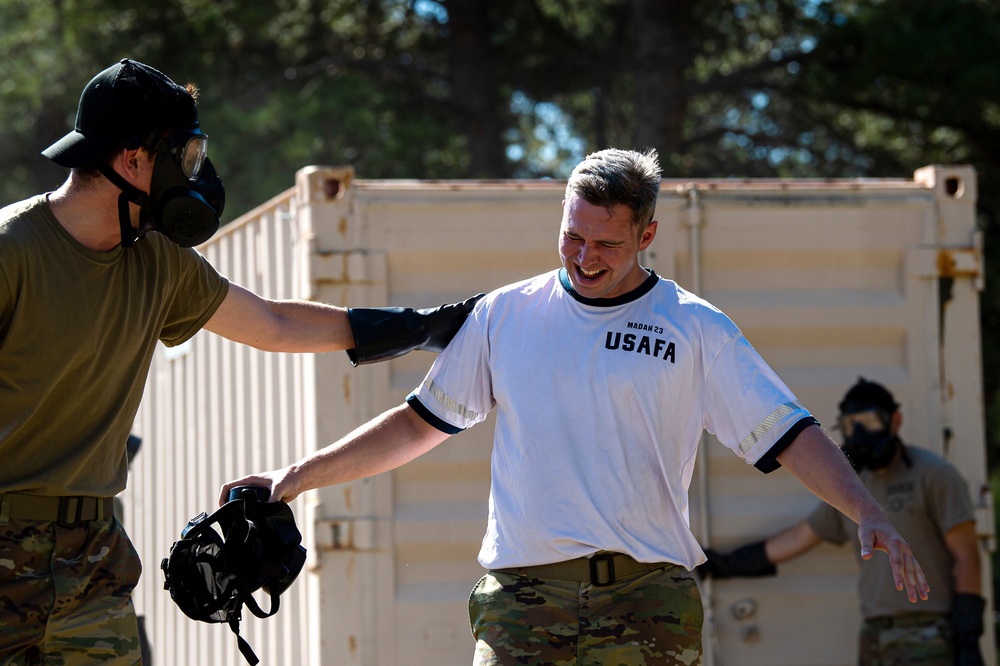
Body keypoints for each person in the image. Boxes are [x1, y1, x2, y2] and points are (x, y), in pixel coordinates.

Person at [221, 148, 930, 665]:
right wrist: (292, 479)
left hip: (647, 602)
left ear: (647, 235)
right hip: (523, 604)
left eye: (606, 245)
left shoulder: (696, 328)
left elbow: (790, 432)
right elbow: (416, 424)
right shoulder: (505, 314)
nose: (583, 257)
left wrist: (866, 509)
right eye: (571, 236)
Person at [0, 58, 479, 665]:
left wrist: (424, 327)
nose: (197, 175)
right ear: (132, 160)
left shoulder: (157, 262)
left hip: (92, 557)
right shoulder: (11, 252)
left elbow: (273, 324)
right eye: (187, 155)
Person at [703, 378, 985, 666]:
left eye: (869, 421)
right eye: (851, 425)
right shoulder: (852, 490)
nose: (860, 434)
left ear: (894, 420)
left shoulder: (934, 475)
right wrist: (721, 564)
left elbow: (967, 556)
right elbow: (797, 539)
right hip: (873, 635)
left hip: (928, 634)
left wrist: (968, 635)